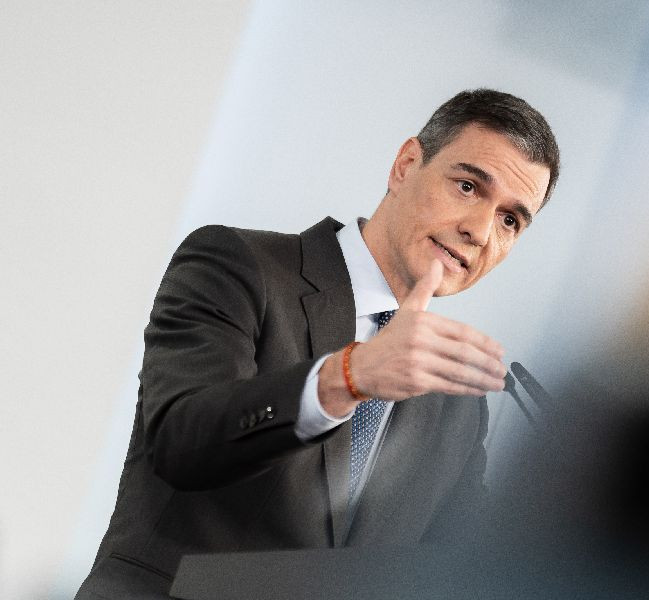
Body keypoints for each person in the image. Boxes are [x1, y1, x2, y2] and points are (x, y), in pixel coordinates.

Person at [75, 88, 560, 598]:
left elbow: (459, 574)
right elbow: (181, 443)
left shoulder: (458, 405)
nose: (480, 231)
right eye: (467, 186)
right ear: (405, 166)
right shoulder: (239, 266)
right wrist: (346, 377)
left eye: (510, 220)